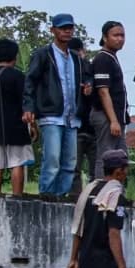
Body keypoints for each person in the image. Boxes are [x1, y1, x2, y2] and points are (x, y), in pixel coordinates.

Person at [23, 13, 89, 196]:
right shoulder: (43, 54)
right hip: (51, 114)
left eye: (70, 28)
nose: (67, 31)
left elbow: (88, 74)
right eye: (62, 28)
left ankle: (61, 198)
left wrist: (88, 85)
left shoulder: (76, 58)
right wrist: (29, 107)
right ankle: (47, 197)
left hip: (71, 116)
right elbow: (30, 81)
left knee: (70, 162)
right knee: (52, 160)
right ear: (53, 30)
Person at [0, 39, 34, 195]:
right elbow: (27, 101)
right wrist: (33, 125)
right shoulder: (19, 76)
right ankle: (17, 198)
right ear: (14, 57)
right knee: (17, 164)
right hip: (16, 127)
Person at [91, 21, 129, 179]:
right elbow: (103, 91)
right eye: (115, 35)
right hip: (105, 116)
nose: (120, 39)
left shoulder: (112, 58)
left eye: (122, 35)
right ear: (105, 37)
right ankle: (101, 192)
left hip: (117, 116)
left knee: (120, 158)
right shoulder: (102, 59)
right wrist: (113, 120)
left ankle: (115, 192)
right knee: (106, 157)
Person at [69, 37, 96, 196]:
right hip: (91, 125)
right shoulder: (90, 68)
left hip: (75, 126)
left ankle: (75, 199)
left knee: (74, 169)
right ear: (82, 51)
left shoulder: (67, 70)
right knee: (95, 171)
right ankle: (93, 198)